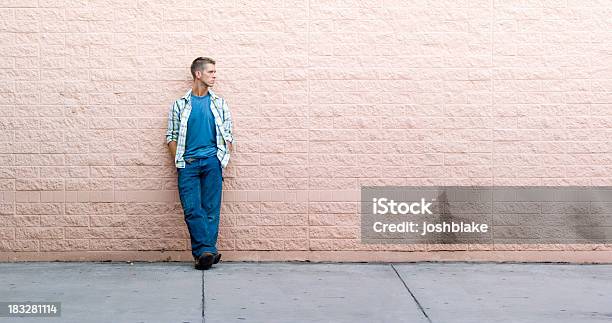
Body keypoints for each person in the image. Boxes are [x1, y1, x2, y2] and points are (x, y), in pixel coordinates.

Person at [165, 57, 233, 270]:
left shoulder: (219, 103)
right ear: (198, 74)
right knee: (193, 209)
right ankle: (208, 251)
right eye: (211, 72)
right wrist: (180, 161)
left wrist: (221, 157)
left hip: (212, 162)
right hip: (189, 164)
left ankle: (203, 254)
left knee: (211, 209)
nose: (215, 75)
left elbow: (228, 135)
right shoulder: (180, 104)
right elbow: (171, 136)